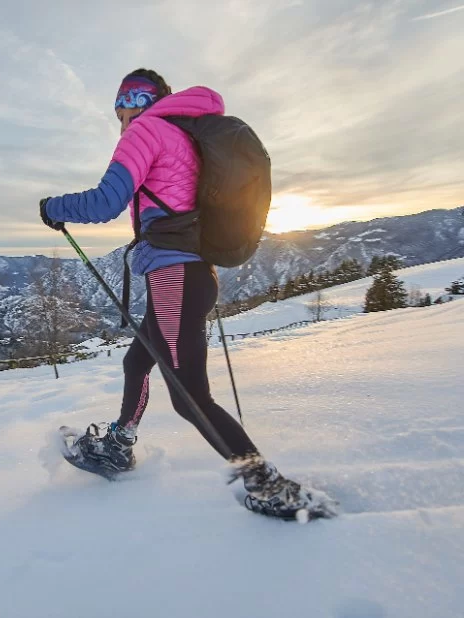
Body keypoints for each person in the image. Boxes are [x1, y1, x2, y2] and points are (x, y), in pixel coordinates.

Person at [39, 68, 309, 516]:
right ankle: (120, 444)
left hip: (174, 278)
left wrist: (52, 207)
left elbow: (107, 200)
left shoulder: (145, 131)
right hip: (190, 274)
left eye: (121, 106)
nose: (119, 117)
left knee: (189, 400)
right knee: (136, 361)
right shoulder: (181, 135)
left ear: (134, 100)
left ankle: (267, 484)